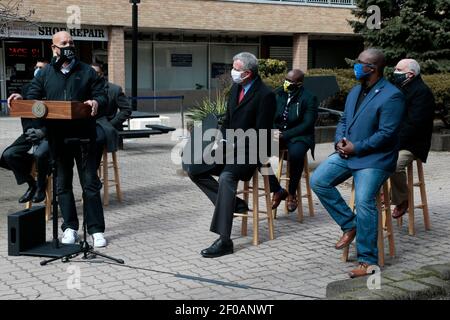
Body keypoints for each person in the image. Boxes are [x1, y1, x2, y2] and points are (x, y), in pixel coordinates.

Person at [310, 48, 406, 278]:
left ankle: (368, 261)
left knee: (364, 201)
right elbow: (344, 120)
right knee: (318, 180)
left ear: (372, 68)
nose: (355, 66)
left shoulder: (392, 95)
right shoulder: (355, 91)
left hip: (375, 158)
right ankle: (349, 224)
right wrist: (338, 142)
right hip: (348, 153)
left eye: (359, 63)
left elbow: (387, 134)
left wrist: (357, 147)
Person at [7, 31, 108, 248]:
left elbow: (102, 95)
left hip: (85, 138)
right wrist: (20, 98)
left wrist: (96, 102)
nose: (69, 45)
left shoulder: (87, 71)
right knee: (63, 185)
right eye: (64, 43)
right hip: (58, 138)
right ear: (54, 48)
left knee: (90, 184)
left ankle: (96, 230)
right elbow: (33, 93)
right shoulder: (45, 74)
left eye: (71, 42)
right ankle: (69, 228)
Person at [188, 52, 276, 258]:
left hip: (251, 151)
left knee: (227, 177)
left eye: (236, 69)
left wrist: (235, 145)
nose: (233, 72)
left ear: (247, 73)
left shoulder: (266, 95)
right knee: (194, 169)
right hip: (229, 147)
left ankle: (224, 240)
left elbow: (262, 133)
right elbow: (227, 120)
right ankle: (234, 203)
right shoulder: (235, 88)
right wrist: (220, 141)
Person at [390, 59, 435, 219]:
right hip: (394, 140)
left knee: (394, 165)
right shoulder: (397, 88)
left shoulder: (422, 92)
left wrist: (393, 144)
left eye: (398, 69)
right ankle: (383, 193)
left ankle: (401, 199)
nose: (394, 72)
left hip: (413, 143)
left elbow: (414, 125)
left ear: (410, 74)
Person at [1, 58, 50, 204]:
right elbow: (25, 111)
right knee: (8, 155)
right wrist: (19, 99)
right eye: (36, 67)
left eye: (41, 68)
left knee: (41, 154)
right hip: (30, 132)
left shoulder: (54, 87)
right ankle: (32, 183)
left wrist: (43, 132)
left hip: (49, 133)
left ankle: (42, 186)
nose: (37, 70)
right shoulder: (27, 88)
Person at [269, 69, 318, 212]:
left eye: (290, 81)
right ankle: (276, 189)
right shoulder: (279, 95)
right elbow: (270, 115)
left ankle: (291, 193)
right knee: (256, 149)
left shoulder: (309, 97)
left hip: (299, 136)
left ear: (299, 83)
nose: (286, 83)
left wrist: (285, 134)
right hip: (277, 134)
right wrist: (273, 130)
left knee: (296, 155)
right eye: (286, 79)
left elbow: (307, 124)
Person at [91, 63, 132, 169]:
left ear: (102, 74)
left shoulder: (114, 89)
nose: (93, 76)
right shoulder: (83, 89)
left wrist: (111, 124)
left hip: (105, 128)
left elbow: (126, 110)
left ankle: (92, 177)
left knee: (95, 142)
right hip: (87, 127)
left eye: (96, 73)